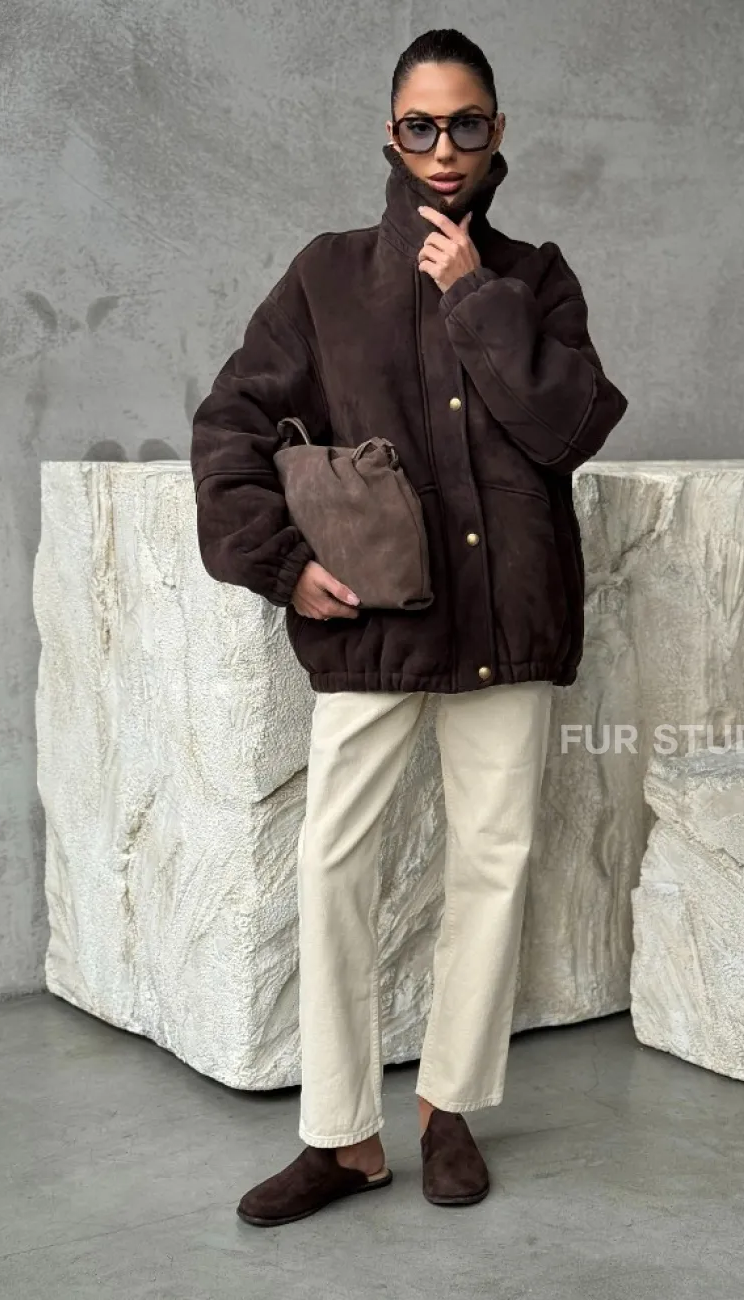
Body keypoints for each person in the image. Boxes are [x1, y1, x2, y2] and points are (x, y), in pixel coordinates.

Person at [190, 27, 628, 1226]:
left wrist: (473, 295)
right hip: (377, 620)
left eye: (465, 123)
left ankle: (447, 1110)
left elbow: (568, 426)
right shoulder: (326, 275)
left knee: (492, 859)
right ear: (390, 135)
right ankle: (340, 1137)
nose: (444, 148)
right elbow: (230, 421)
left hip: (507, 616)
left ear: (497, 132)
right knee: (334, 860)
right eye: (421, 126)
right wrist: (282, 565)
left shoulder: (532, 277)